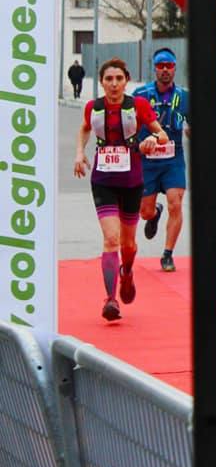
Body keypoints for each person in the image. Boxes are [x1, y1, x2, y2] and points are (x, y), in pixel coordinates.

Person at [73, 57, 168, 322]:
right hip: (103, 181)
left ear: (126, 81)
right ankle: (110, 299)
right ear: (101, 82)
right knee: (111, 239)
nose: (113, 84)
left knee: (128, 243)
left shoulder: (137, 106)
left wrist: (151, 139)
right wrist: (80, 153)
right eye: (108, 79)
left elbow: (162, 135)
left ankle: (127, 272)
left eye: (118, 79)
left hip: (131, 182)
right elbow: (84, 129)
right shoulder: (93, 107)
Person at [134, 47, 191, 273]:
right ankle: (154, 213)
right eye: (160, 66)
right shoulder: (141, 94)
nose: (165, 70)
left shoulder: (185, 97)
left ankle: (167, 254)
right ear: (154, 68)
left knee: (175, 203)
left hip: (173, 157)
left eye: (169, 66)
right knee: (144, 212)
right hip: (147, 159)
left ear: (175, 68)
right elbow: (130, 126)